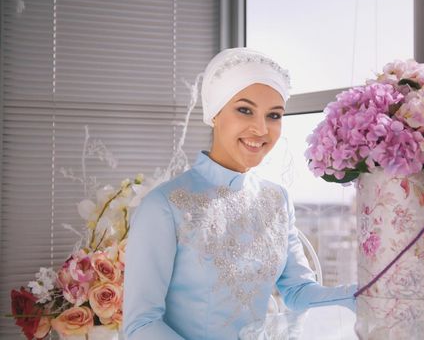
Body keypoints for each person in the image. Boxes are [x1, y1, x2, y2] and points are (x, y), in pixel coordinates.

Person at [123, 47, 357, 340]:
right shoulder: (164, 206)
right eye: (244, 110)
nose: (261, 129)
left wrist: (369, 293)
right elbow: (140, 324)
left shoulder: (276, 200)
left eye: (274, 115)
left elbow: (298, 292)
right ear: (215, 114)